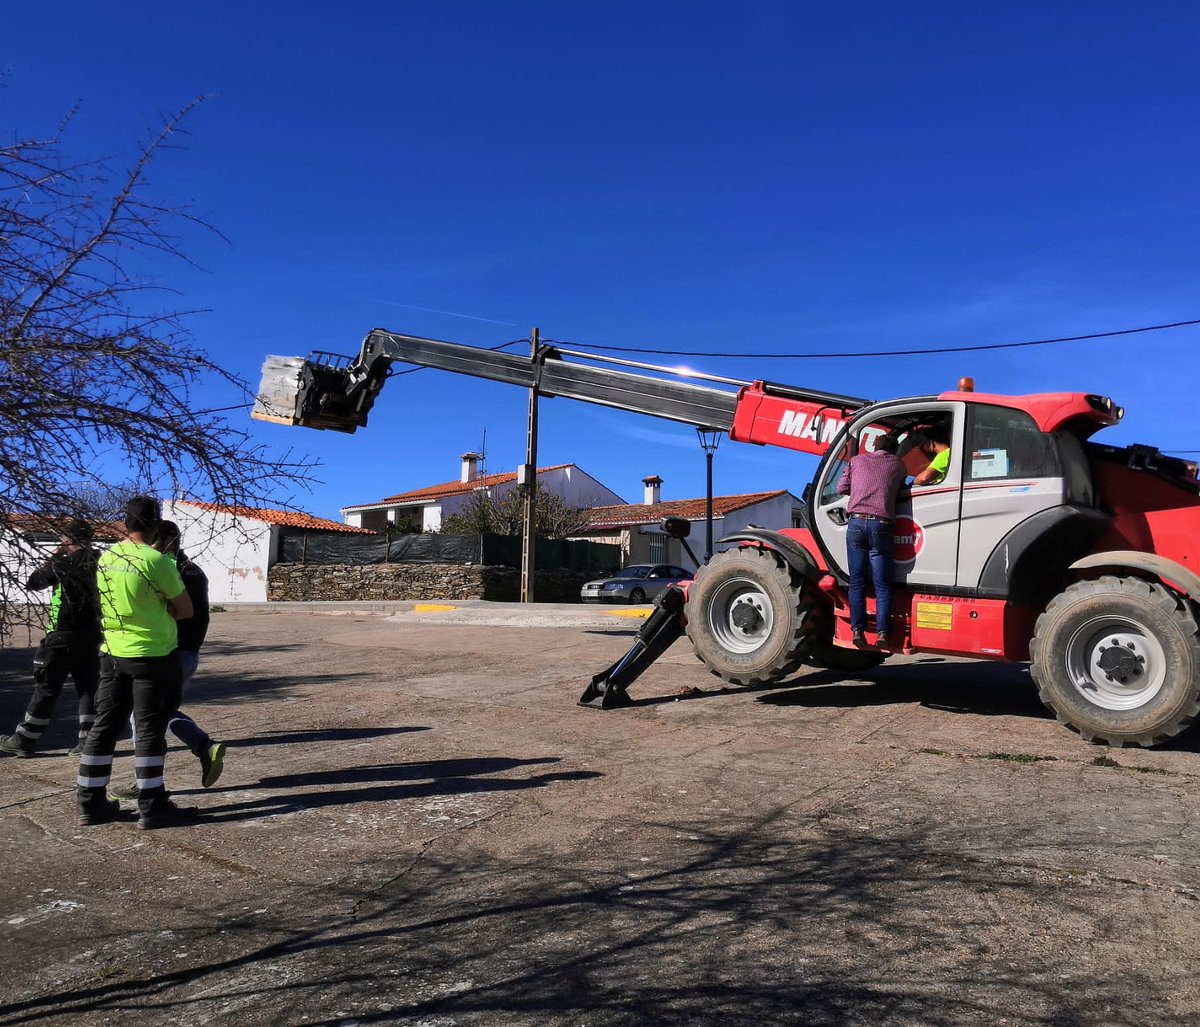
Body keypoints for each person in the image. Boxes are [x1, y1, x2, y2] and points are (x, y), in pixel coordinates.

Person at [77, 496, 197, 830]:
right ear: (155, 524)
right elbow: (186, 609)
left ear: (125, 523)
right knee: (148, 729)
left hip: (113, 653)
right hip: (153, 654)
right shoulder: (157, 561)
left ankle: (90, 802)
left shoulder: (106, 558)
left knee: (104, 726)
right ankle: (152, 805)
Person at [111, 520, 225, 798]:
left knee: (144, 717)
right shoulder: (193, 570)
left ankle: (147, 783)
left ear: (165, 540)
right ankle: (203, 748)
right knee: (159, 711)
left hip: (167, 653)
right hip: (188, 652)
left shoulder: (164, 569)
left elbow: (167, 612)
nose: (148, 545)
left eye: (153, 539)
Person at [0, 519, 101, 757]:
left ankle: (25, 738)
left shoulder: (63, 564)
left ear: (67, 541)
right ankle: (87, 741)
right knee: (88, 687)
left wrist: (56, 555)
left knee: (46, 687)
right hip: (91, 635)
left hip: (61, 635)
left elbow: (34, 582)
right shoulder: (101, 563)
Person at [838, 434, 907, 647]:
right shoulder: (899, 466)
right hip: (882, 525)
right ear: (894, 449)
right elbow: (899, 490)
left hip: (856, 523)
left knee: (857, 582)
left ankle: (857, 631)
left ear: (874, 445)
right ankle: (883, 634)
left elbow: (841, 488)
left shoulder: (856, 461)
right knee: (883, 585)